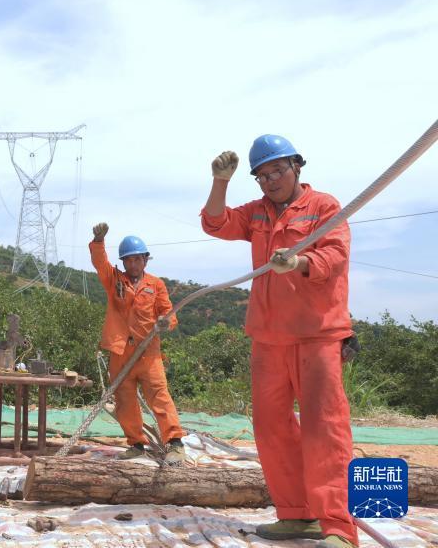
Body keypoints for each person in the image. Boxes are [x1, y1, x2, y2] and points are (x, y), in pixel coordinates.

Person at [201, 135, 357, 548]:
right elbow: (215, 223)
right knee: (271, 429)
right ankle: (295, 515)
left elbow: (336, 255)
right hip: (268, 337)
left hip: (316, 335)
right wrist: (220, 183)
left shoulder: (323, 206)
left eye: (277, 171)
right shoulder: (255, 214)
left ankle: (338, 527)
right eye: (262, 175)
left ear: (296, 167)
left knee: (324, 429)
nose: (270, 181)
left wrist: (301, 261)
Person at [89, 224, 186, 465]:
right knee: (125, 401)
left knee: (159, 397)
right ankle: (136, 444)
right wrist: (98, 241)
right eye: (128, 260)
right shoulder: (115, 281)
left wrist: (166, 322)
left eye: (137, 259)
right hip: (121, 351)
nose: (133, 264)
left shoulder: (156, 284)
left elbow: (169, 312)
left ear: (145, 260)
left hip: (148, 352)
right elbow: (100, 264)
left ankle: (175, 443)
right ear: (123, 262)